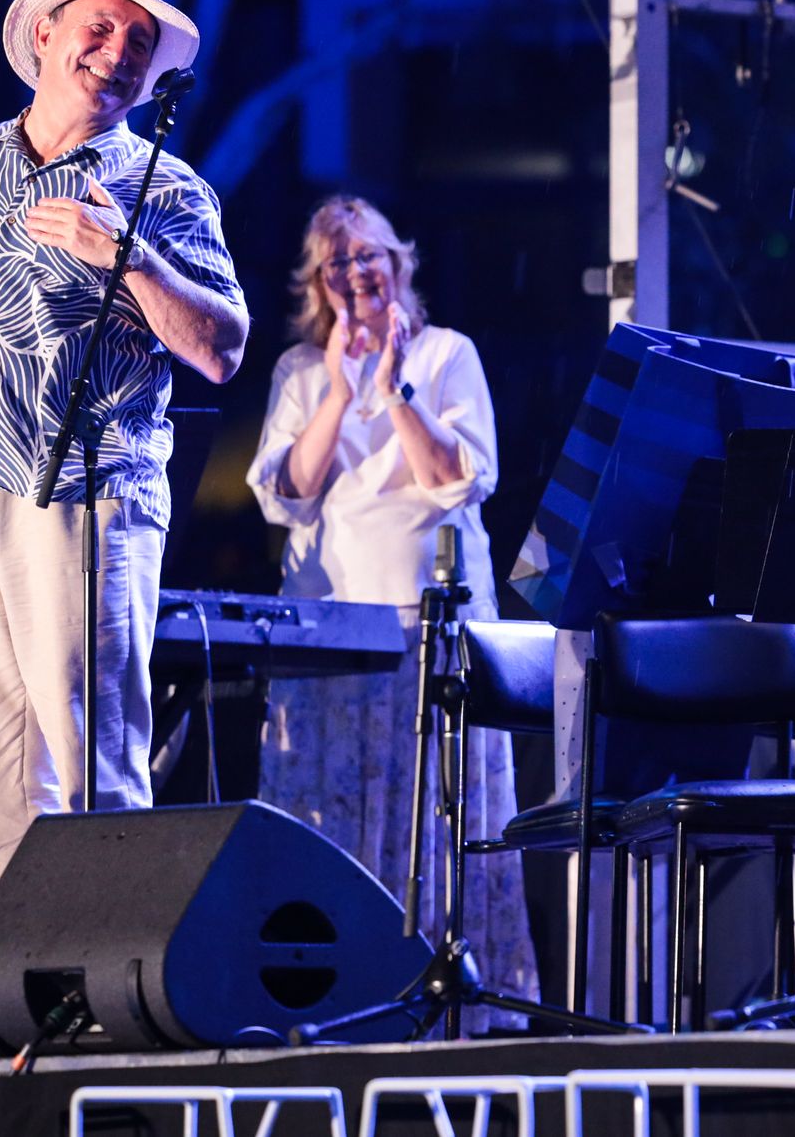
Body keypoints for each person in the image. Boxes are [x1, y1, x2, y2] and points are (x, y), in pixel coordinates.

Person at [0, 0, 248, 907]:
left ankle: (115, 969)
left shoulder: (164, 188)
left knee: (89, 756)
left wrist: (131, 255)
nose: (118, 53)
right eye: (100, 29)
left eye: (139, 44)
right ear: (46, 34)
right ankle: (24, 975)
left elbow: (223, 347)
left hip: (83, 485)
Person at [246, 195, 536, 999]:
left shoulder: (447, 354)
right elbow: (290, 492)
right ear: (318, 283)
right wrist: (342, 390)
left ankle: (453, 1002)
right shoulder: (300, 371)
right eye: (336, 261)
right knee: (329, 829)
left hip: (433, 637)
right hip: (332, 638)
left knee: (439, 825)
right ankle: (334, 997)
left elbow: (455, 479)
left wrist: (393, 386)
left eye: (368, 253)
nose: (356, 272)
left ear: (398, 263)